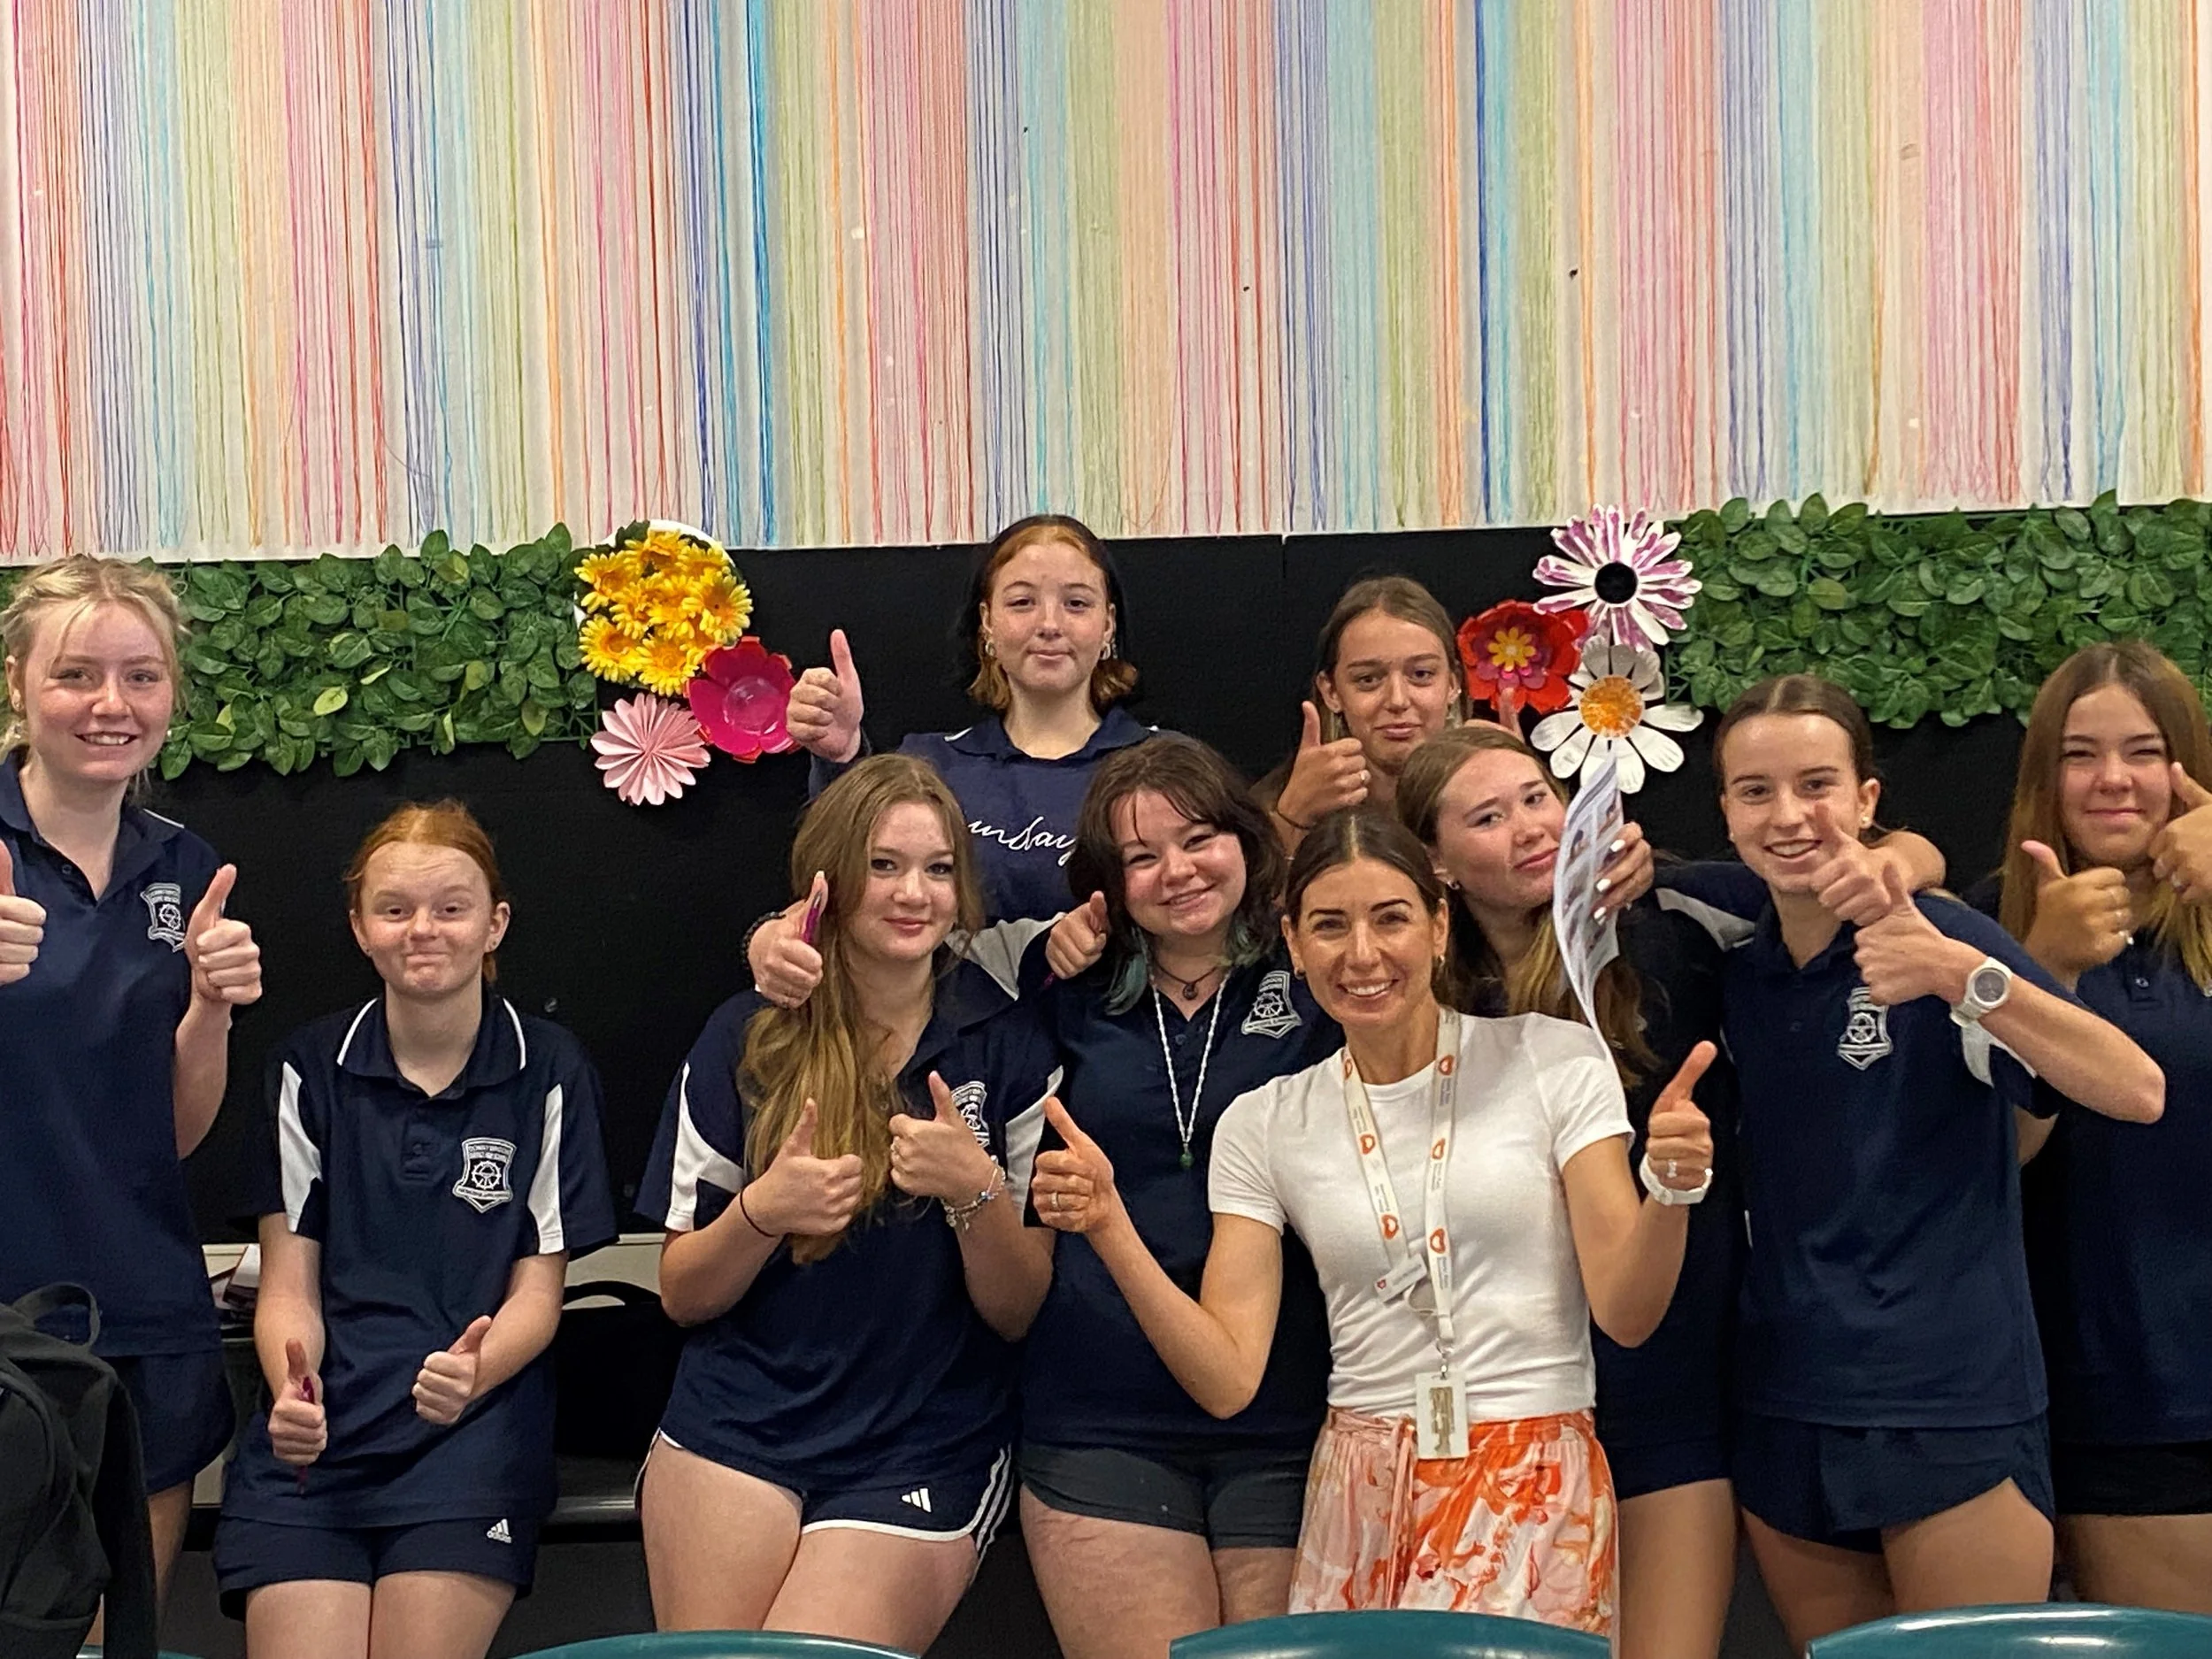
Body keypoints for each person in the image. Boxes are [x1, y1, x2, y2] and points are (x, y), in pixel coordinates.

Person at [1034, 807, 1719, 1636]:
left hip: (1532, 1477)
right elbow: (1226, 1378)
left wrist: (1671, 1187)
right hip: (1358, 1488)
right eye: (1330, 925)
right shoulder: (1264, 1122)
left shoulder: (1553, 1060)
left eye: (1390, 917)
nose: (1362, 955)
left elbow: (1627, 1310)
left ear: (1438, 927)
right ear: (1292, 942)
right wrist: (1109, 1224)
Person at [1694, 672, 2163, 1650]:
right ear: (1726, 811)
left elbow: (2134, 1087)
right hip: (1785, 1403)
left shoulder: (1945, 934)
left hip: (1951, 1408)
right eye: (1754, 792)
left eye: (1817, 785)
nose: (1788, 817)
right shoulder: (1736, 965)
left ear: (1866, 800)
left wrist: (1961, 975)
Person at [634, 755, 1059, 1652]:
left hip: (919, 1440)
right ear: (829, 880)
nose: (914, 893)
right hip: (736, 1425)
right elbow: (680, 1292)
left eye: (939, 869)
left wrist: (974, 1190)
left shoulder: (1005, 1042)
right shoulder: (748, 1034)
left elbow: (1018, 1311)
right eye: (885, 865)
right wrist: (762, 1213)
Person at [213, 802, 616, 1659]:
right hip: (316, 1452)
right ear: (360, 927)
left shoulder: (548, 1070)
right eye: (394, 909)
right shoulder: (306, 1068)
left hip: (466, 1444)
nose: (421, 930)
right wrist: (293, 1391)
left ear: (495, 921)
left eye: (450, 907)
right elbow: (288, 1289)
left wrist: (473, 1373)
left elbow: (539, 1296)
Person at [1394, 724, 1741, 1659]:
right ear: (1437, 861)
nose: (1527, 828)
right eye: (1487, 816)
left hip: (1661, 1397)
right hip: (1506, 1413)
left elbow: (1799, 887)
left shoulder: (1665, 940)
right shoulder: (1423, 1003)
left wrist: (1661, 867)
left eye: (1537, 798)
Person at [1014, 735, 1337, 1659]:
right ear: (1106, 885)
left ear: (1246, 838)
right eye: (1140, 857)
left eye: (1197, 839)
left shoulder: (1317, 972)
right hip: (1102, 1416)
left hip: (1293, 1415)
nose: (1177, 872)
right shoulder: (1066, 994)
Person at [0, 556, 263, 1608]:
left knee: (120, 1634)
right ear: (18, 682)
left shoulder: (185, 864)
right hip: (8, 1313)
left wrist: (210, 1012)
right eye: (75, 675)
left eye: (141, 676)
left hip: (144, 1311)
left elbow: (179, 1134)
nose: (110, 705)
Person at [1987, 641, 2212, 1614]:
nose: (2113, 779)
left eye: (2143, 751)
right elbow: (1991, 1160)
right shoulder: (1983, 934)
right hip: (2127, 1394)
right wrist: (2043, 971)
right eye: (2081, 754)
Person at [777, 512, 1149, 926]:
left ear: (1107, 625)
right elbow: (835, 888)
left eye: (1076, 603)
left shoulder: (1161, 768)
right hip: (941, 993)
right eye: (1022, 602)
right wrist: (841, 759)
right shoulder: (928, 766)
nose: (1049, 624)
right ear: (987, 622)